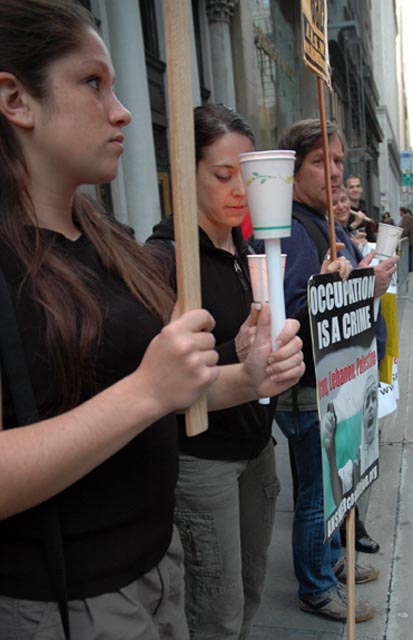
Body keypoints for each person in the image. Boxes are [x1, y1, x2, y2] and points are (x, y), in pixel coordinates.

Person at [0, 3, 305, 639]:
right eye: (92, 83)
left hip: (155, 566)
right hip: (67, 598)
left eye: (115, 85)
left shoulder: (106, 237)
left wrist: (244, 379)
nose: (122, 110)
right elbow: (145, 394)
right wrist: (146, 390)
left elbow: (171, 394)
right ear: (16, 99)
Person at [146, 103, 306, 640]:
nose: (241, 189)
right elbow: (162, 385)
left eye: (250, 174)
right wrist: (238, 362)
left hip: (257, 448)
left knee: (250, 589)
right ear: (183, 170)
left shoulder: (247, 248)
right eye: (222, 174)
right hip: (202, 460)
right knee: (215, 609)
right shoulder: (164, 260)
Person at [271, 119, 398, 623]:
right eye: (321, 161)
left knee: (335, 487)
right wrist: (353, 282)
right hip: (309, 391)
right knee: (315, 495)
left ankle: (334, 561)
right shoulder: (297, 230)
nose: (334, 172)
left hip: (339, 382)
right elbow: (296, 314)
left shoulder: (329, 224)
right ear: (294, 168)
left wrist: (366, 276)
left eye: (340, 161)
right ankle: (317, 586)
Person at [322, 372, 379, 509]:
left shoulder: (367, 449)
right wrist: (331, 454)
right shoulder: (355, 458)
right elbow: (338, 498)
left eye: (374, 399)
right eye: (367, 401)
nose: (371, 407)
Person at [333, 185, 367, 253]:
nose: (340, 207)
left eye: (343, 200)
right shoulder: (329, 234)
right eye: (334, 203)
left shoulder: (347, 230)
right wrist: (352, 247)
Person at [345, 175, 377, 242]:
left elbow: (372, 239)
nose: (355, 190)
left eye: (358, 186)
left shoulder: (364, 211)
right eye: (351, 187)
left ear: (361, 189)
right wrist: (356, 223)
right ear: (346, 190)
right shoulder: (342, 211)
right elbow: (340, 237)